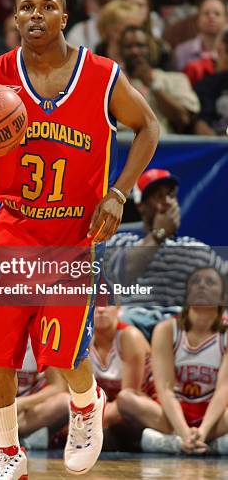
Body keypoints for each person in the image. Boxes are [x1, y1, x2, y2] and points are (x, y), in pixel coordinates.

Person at [0, 0, 159, 478]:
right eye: (25, 7)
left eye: (47, 6)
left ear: (64, 17)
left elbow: (150, 127)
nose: (35, 15)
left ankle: (86, 403)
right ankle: (9, 455)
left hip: (76, 232)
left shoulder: (101, 76)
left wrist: (119, 192)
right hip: (15, 226)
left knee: (63, 350)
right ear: (14, 19)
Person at [117, 266, 228, 455]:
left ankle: (181, 442)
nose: (201, 286)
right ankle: (205, 444)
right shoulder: (167, 329)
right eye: (195, 282)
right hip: (173, 412)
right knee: (126, 399)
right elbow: (165, 390)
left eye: (210, 282)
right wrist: (185, 432)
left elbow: (223, 390)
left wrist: (202, 430)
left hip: (214, 415)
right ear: (186, 293)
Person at [106, 168, 222, 340]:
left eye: (171, 195)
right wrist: (158, 234)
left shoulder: (196, 249)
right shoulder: (121, 243)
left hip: (182, 329)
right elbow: (122, 274)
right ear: (141, 205)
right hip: (132, 327)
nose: (167, 202)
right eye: (158, 196)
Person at [120, 25, 200, 134]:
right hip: (119, 144)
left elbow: (183, 118)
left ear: (150, 48)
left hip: (161, 145)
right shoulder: (111, 81)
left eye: (140, 46)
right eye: (128, 46)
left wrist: (153, 84)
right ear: (121, 50)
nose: (135, 51)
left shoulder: (175, 79)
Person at [90, 304, 153, 431]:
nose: (101, 309)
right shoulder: (81, 342)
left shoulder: (130, 336)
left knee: (125, 400)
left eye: (108, 304)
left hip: (147, 409)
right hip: (111, 416)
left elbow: (127, 400)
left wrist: (83, 424)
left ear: (119, 309)